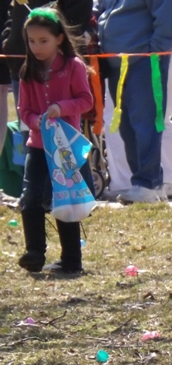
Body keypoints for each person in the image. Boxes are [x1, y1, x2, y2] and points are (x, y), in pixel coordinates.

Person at [16, 7, 94, 274]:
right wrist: (35, 121)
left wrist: (62, 108)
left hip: (65, 147)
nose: (36, 47)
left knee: (65, 199)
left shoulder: (74, 66)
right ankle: (34, 252)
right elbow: (24, 110)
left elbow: (86, 100)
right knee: (30, 196)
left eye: (43, 41)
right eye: (31, 41)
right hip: (38, 146)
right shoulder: (28, 71)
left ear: (59, 38)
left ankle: (71, 260)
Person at [96, 0, 172, 204]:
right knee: (127, 127)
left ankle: (148, 184)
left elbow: (169, 18)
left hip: (144, 61)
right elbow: (100, 8)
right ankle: (145, 184)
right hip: (116, 64)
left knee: (145, 125)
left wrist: (153, 51)